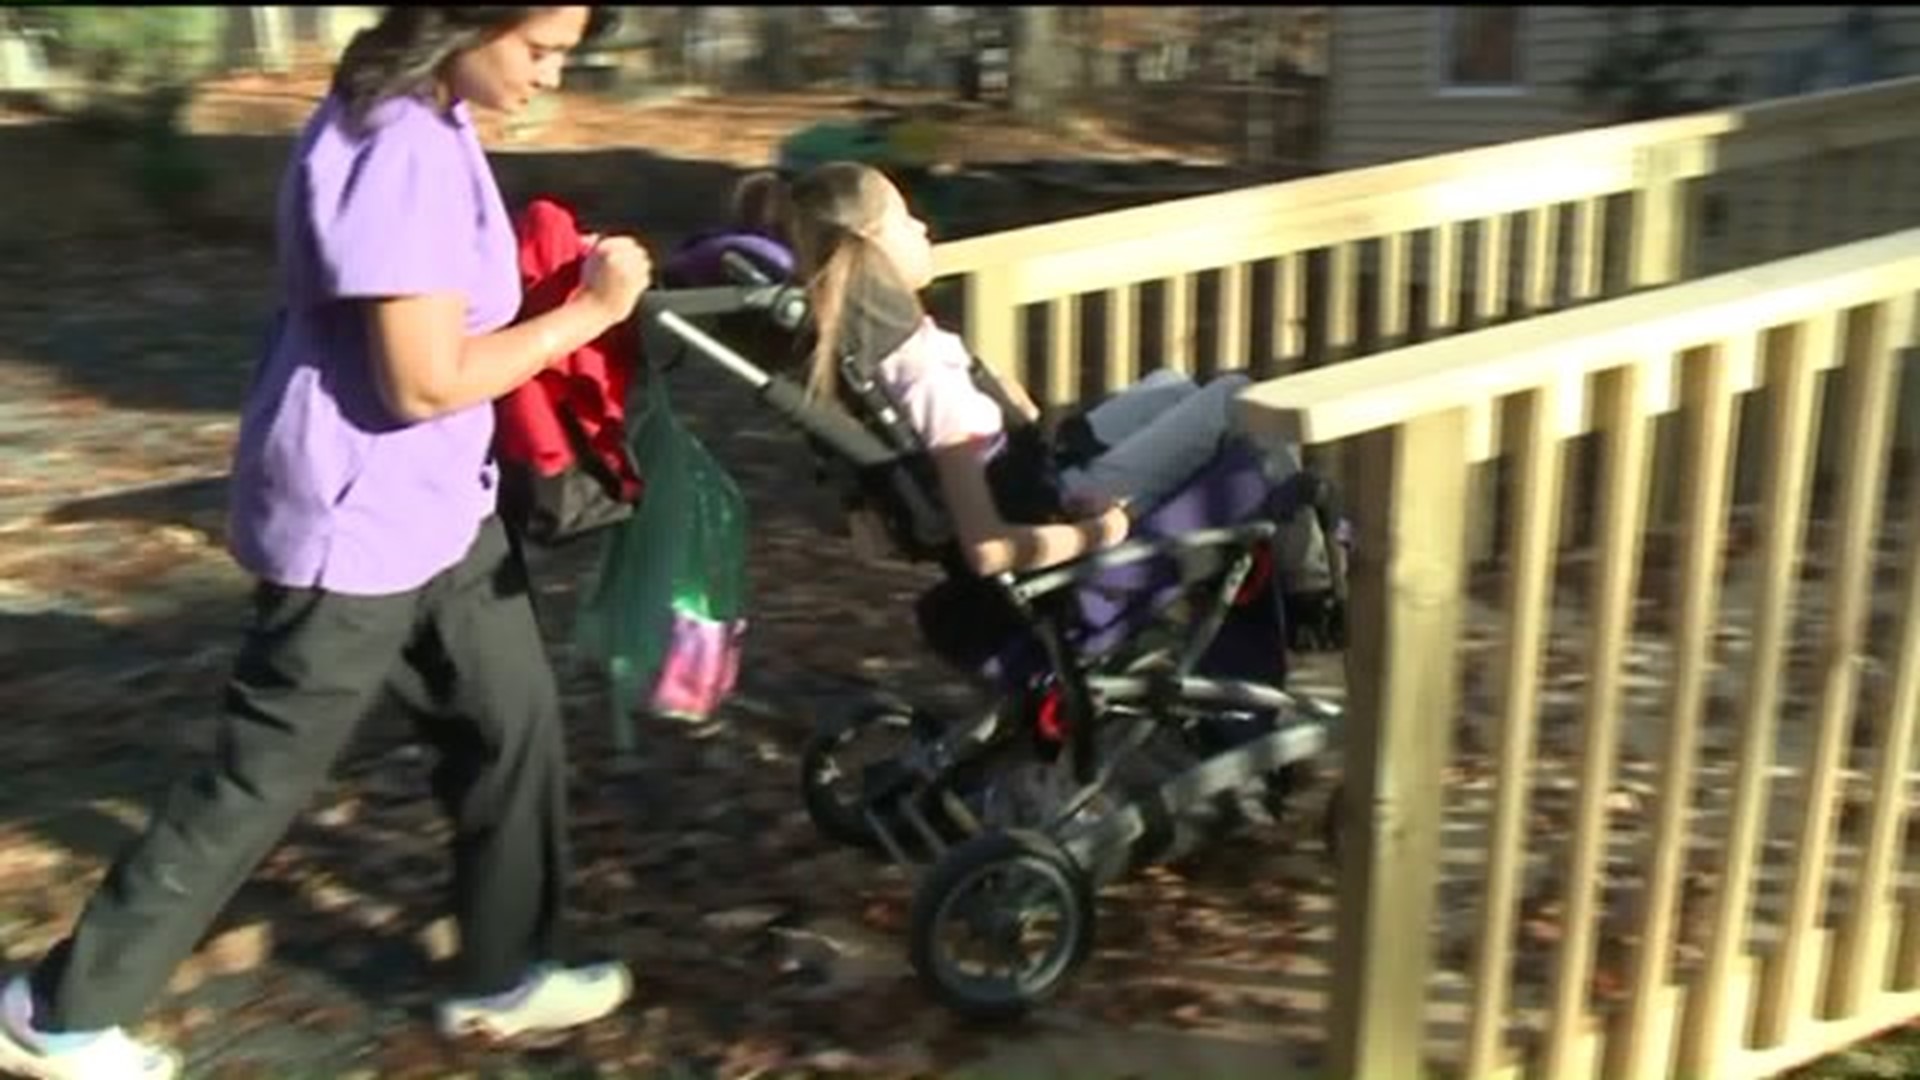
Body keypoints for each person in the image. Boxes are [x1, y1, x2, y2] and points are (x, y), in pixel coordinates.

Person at [0, 9, 652, 1079]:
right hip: (358, 519)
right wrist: (587, 314)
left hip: (442, 506)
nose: (554, 71)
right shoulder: (397, 145)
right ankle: (57, 1011)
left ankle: (505, 974)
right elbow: (423, 378)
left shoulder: (435, 119)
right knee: (259, 777)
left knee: (511, 720)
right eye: (540, 47)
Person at [781, 160, 1331, 589]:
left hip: (1037, 467)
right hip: (1065, 506)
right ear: (874, 242)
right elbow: (987, 549)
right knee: (1238, 398)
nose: (923, 226)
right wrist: (1100, 531)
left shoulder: (871, 348)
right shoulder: (923, 376)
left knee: (1173, 384)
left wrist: (1001, 403)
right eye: (905, 219)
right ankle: (1311, 585)